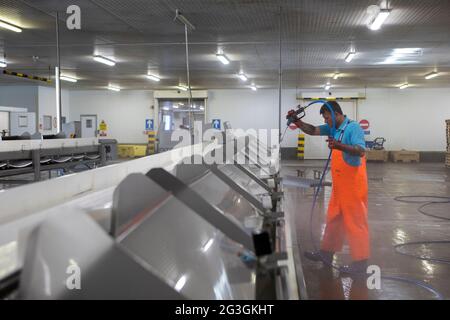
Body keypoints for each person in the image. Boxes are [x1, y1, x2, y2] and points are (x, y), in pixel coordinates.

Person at [286, 101, 369, 274]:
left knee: (355, 223)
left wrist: (340, 146)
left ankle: (361, 264)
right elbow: (313, 130)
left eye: (327, 117)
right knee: (333, 220)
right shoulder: (333, 128)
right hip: (340, 186)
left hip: (353, 186)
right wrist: (297, 122)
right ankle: (326, 253)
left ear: (336, 113)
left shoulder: (353, 128)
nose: (326, 121)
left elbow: (360, 150)